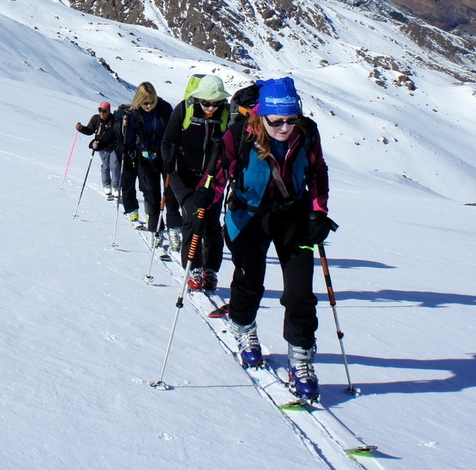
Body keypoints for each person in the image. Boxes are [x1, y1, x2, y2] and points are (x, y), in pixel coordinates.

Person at [205, 76, 335, 401]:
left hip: (293, 214)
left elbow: (318, 171)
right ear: (261, 114)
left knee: (300, 291)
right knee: (250, 281)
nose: (285, 127)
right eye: (276, 121)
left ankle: (301, 358)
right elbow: (220, 170)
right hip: (249, 214)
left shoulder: (307, 133)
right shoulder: (240, 133)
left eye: (292, 119)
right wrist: (204, 202)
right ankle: (244, 328)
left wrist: (318, 212)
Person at [161, 74, 230, 291]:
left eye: (216, 103)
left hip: (213, 177)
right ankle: (194, 267)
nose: (211, 108)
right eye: (206, 103)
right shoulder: (184, 109)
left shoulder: (228, 114)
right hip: (184, 175)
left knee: (211, 222)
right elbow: (168, 140)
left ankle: (210, 269)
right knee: (192, 216)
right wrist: (169, 161)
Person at [118, 82, 173, 240]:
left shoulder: (165, 109)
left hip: (165, 153)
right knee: (150, 191)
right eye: (145, 103)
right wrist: (126, 149)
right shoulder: (133, 114)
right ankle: (156, 226)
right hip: (145, 155)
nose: (148, 106)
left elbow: (172, 129)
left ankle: (173, 224)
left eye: (151, 102)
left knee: (169, 190)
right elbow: (129, 135)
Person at [76, 101, 121, 200]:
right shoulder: (95, 119)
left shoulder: (113, 120)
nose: (102, 113)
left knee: (115, 166)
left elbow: (113, 134)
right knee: (105, 166)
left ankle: (115, 187)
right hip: (101, 147)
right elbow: (90, 130)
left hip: (113, 146)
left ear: (109, 111)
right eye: (100, 110)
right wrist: (81, 128)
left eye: (104, 111)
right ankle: (107, 186)